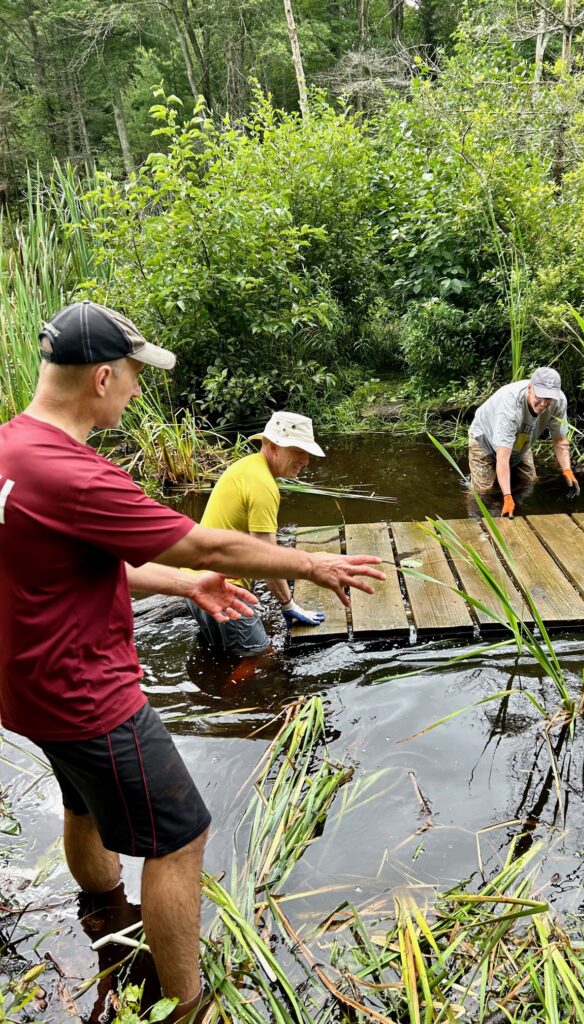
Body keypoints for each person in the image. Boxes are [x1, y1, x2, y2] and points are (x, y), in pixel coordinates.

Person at [0, 300, 384, 1022]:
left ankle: (105, 918)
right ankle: (185, 1005)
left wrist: (182, 585)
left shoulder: (10, 449)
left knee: (82, 803)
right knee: (181, 835)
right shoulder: (75, 473)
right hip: (91, 697)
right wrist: (312, 563)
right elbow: (204, 543)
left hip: (27, 689)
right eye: (137, 377)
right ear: (104, 378)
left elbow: (81, 559)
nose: (140, 392)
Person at [185, 410, 327, 661]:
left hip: (196, 586)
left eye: (307, 453)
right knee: (260, 659)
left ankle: (218, 696)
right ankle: (230, 700)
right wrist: (289, 605)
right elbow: (266, 558)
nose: (305, 460)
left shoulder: (247, 467)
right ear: (273, 446)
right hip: (224, 593)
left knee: (223, 660)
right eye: (298, 451)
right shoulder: (263, 485)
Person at [467, 366, 580, 516]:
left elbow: (559, 440)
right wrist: (507, 497)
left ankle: (517, 511)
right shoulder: (510, 405)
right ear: (530, 388)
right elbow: (503, 456)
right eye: (541, 396)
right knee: (484, 492)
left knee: (529, 481)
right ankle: (475, 518)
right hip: (484, 438)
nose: (544, 403)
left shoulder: (558, 402)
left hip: (521, 440)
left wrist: (567, 469)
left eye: (549, 398)